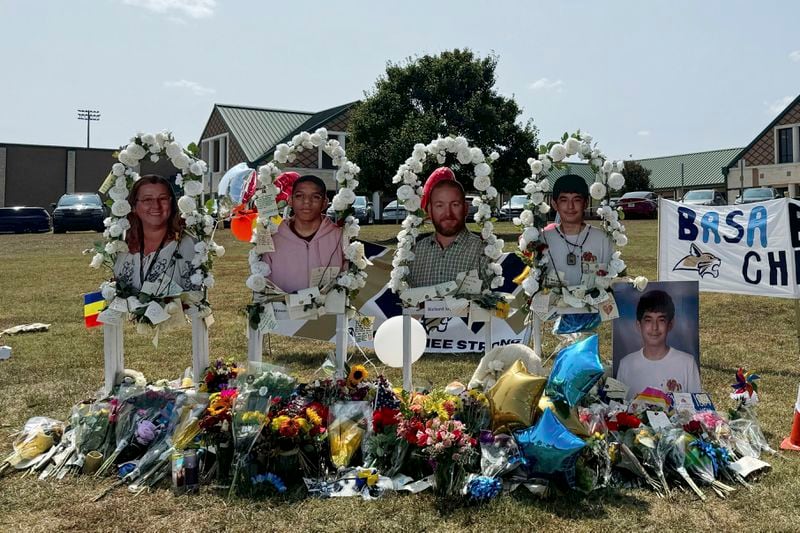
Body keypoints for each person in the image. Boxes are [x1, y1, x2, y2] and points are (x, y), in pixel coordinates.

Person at [406, 167, 489, 290]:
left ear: (466, 209)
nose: (448, 213)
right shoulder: (413, 254)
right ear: (429, 210)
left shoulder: (485, 253)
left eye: (455, 205)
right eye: (439, 205)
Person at [262, 174, 344, 293]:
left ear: (325, 203)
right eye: (299, 196)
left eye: (315, 197)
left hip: (328, 311)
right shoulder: (273, 238)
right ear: (290, 200)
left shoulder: (339, 237)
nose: (307, 202)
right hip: (284, 310)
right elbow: (264, 284)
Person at [113, 175, 196, 293]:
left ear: (171, 203)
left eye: (163, 199)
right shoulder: (123, 247)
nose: (156, 205)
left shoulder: (188, 245)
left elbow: (196, 298)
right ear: (134, 207)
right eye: (147, 199)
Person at [617, 289, 702, 399]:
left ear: (670, 324)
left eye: (661, 320)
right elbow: (617, 409)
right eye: (648, 320)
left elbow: (697, 411)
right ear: (639, 325)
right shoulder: (626, 364)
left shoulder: (687, 363)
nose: (654, 327)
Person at [541, 174, 613, 288]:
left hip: (592, 305)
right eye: (564, 200)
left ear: (585, 203)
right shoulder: (543, 239)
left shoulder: (602, 238)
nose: (570, 206)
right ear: (555, 204)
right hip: (552, 305)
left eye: (577, 200)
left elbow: (609, 279)